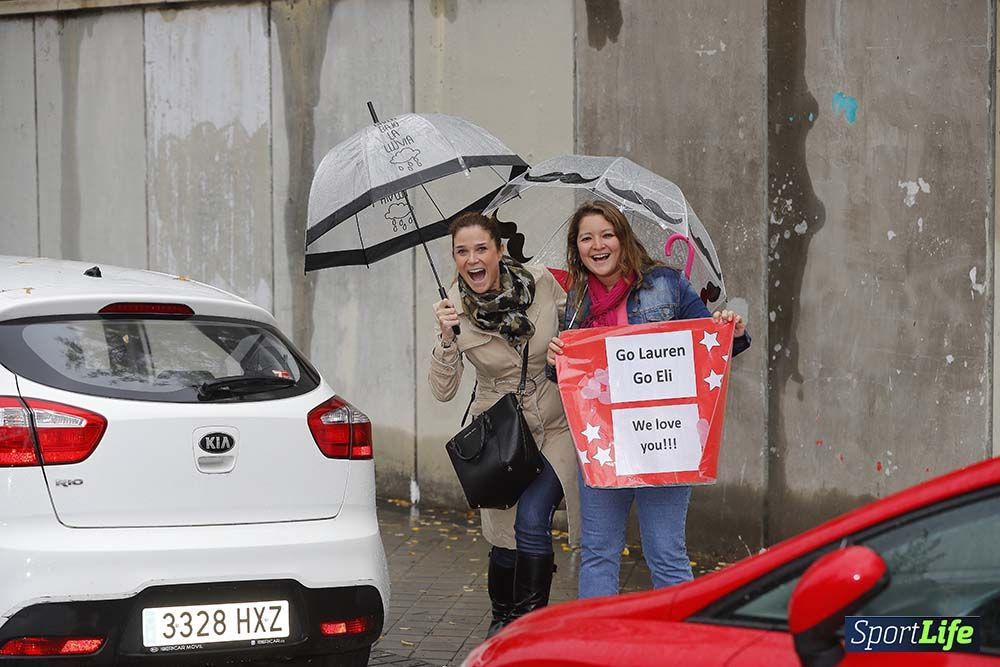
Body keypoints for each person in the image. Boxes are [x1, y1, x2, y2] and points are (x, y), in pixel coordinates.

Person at [546, 200, 751, 599]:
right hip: (603, 446)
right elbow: (571, 380)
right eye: (587, 238)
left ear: (623, 239)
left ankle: (679, 651)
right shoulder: (576, 300)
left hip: (663, 441)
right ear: (577, 248)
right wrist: (556, 360)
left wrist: (731, 329)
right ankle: (599, 653)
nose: (598, 245)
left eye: (607, 234)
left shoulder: (667, 283)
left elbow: (709, 341)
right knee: (598, 553)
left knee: (665, 553)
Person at [429, 211, 580, 635]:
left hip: (555, 425)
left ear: (498, 249)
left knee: (533, 517)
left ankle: (527, 631)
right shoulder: (452, 310)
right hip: (501, 431)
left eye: (481, 248)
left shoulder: (542, 283)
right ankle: (503, 620)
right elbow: (443, 390)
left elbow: (581, 327)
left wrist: (565, 350)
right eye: (462, 251)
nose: (472, 259)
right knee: (504, 536)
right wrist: (445, 338)